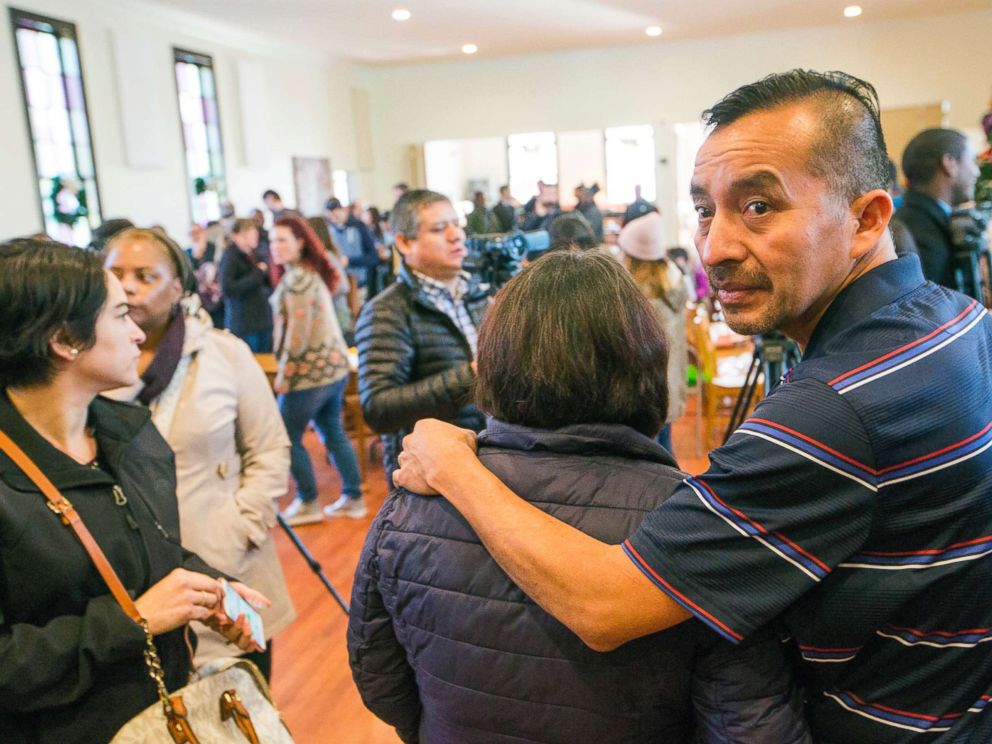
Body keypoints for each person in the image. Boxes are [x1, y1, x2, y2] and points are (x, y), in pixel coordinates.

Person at [394, 70, 992, 743]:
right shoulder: (960, 317)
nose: (715, 249)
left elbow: (603, 602)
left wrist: (453, 467)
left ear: (866, 219)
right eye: (707, 210)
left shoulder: (830, 410)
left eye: (759, 206)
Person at [349, 251, 808, 743]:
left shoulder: (418, 497)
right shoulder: (693, 519)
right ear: (645, 362)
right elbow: (748, 724)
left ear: (493, 363)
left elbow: (382, 680)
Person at [0, 239, 263, 743]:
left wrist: (206, 587)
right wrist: (133, 621)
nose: (139, 332)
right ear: (65, 340)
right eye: (120, 315)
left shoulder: (131, 434)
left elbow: (142, 549)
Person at [102, 228, 294, 680]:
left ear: (177, 287)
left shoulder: (224, 354)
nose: (128, 286)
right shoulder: (95, 367)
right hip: (136, 587)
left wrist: (241, 527)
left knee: (240, 713)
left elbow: (268, 448)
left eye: (145, 276)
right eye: (116, 274)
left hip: (225, 562)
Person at [355, 189, 488, 487]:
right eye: (440, 229)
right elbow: (378, 408)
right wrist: (472, 375)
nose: (456, 236)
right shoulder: (387, 311)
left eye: (457, 224)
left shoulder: (477, 294)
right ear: (404, 242)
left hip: (488, 457)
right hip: (431, 476)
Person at [269, 214, 365, 524]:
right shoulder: (308, 272)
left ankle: (308, 501)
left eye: (282, 239)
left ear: (300, 242)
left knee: (285, 436)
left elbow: (296, 336)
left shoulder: (298, 281)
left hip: (309, 374)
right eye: (272, 240)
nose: (275, 247)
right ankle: (354, 497)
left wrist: (283, 377)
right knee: (332, 431)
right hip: (333, 368)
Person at [618, 211, 689, 454]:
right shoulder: (673, 281)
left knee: (650, 455)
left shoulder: (636, 297)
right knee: (666, 448)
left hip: (644, 392)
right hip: (668, 386)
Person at [895, 128, 981, 288]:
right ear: (949, 164)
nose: (976, 172)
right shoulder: (918, 233)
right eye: (973, 161)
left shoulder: (924, 220)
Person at [218, 218, 274, 352]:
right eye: (250, 233)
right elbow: (228, 288)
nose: (255, 237)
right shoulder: (230, 256)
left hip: (261, 320)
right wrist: (258, 272)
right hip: (245, 323)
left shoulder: (254, 254)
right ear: (238, 236)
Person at [308, 215, 359, 345]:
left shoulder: (327, 257)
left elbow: (343, 285)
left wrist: (321, 294)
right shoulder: (322, 256)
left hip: (337, 312)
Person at [325, 197, 380, 298]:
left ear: (343, 210)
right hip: (340, 286)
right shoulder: (330, 230)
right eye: (331, 216)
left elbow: (373, 257)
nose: (334, 218)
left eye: (335, 214)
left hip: (360, 283)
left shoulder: (359, 227)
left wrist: (349, 261)